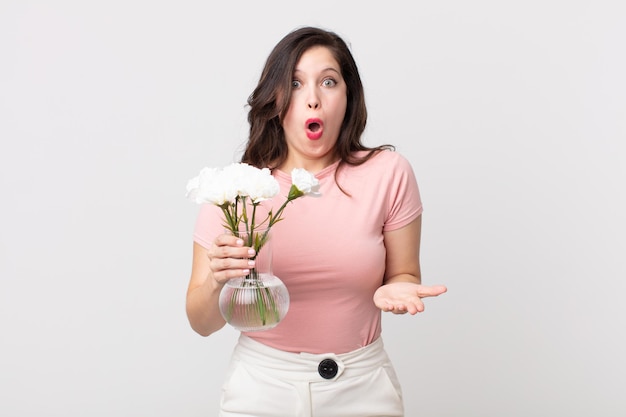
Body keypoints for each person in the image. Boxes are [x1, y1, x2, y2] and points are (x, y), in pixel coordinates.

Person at [186, 26, 447, 417]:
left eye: (328, 82)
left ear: (348, 96)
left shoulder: (388, 173)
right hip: (261, 388)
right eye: (294, 83)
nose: (312, 99)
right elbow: (201, 323)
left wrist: (396, 289)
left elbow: (405, 273)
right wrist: (217, 280)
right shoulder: (235, 189)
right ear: (275, 99)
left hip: (362, 388)